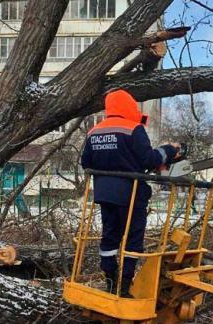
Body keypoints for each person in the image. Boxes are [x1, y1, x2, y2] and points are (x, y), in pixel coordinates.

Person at [81, 89, 180, 297]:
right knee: (133, 240)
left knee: (109, 237)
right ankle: (125, 285)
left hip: (104, 194)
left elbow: (86, 162)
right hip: (131, 194)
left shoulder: (94, 131)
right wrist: (169, 151)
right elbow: (149, 159)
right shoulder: (133, 128)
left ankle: (110, 280)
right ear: (129, 106)